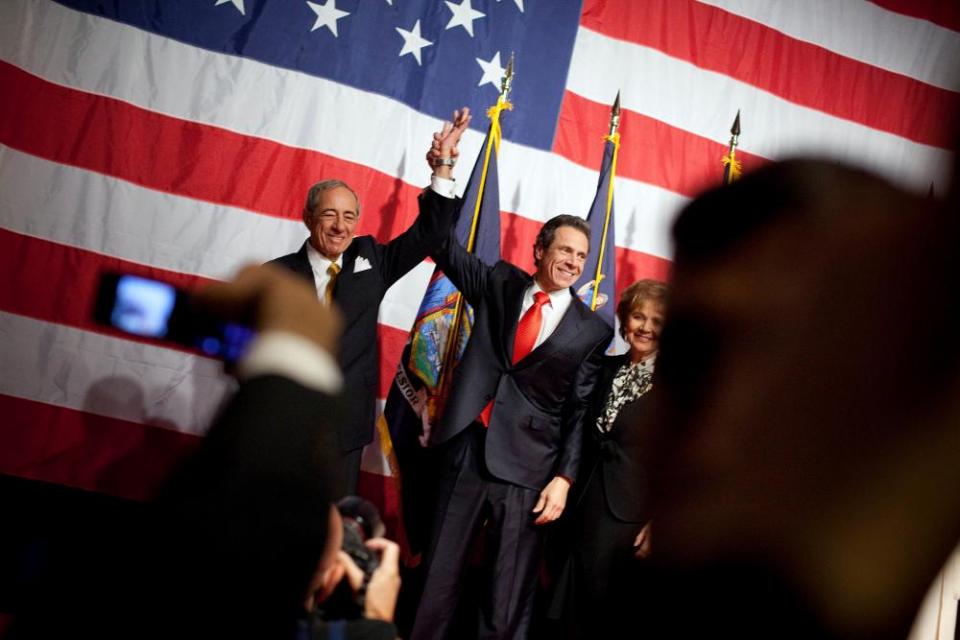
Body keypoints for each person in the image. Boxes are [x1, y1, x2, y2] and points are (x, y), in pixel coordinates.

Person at [410, 202, 614, 638]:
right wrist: (442, 177)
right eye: (565, 250)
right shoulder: (500, 283)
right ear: (539, 250)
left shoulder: (592, 331)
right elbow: (442, 245)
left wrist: (564, 477)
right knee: (435, 582)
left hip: (528, 470)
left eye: (581, 255)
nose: (574, 262)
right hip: (466, 449)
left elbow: (579, 410)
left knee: (506, 599)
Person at [269, 108, 472, 495]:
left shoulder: (372, 262)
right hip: (284, 426)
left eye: (349, 216)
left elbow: (429, 232)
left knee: (329, 530)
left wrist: (443, 165)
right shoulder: (275, 275)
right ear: (307, 218)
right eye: (329, 214)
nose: (339, 226)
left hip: (342, 430)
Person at [548, 278, 667, 638]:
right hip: (580, 509)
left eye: (657, 321)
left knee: (607, 616)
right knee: (567, 610)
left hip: (629, 521)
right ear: (624, 320)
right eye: (638, 317)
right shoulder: (605, 369)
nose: (645, 327)